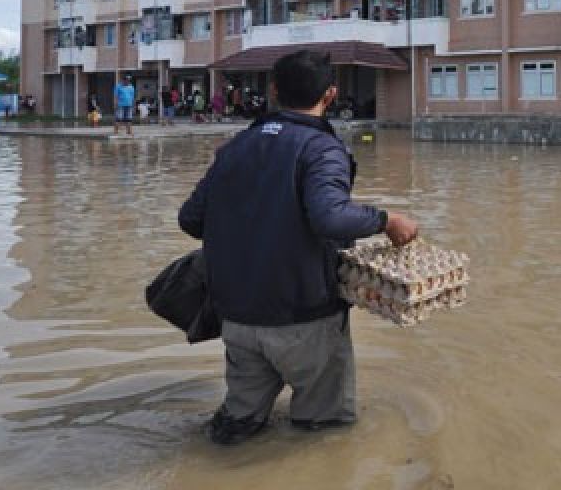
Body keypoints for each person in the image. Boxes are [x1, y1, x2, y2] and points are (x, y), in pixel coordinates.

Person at [178, 50, 420, 445]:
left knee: (236, 430)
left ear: (273, 90)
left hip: (238, 321)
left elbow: (190, 220)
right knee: (322, 435)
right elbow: (330, 217)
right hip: (304, 321)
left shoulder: (236, 147)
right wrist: (386, 220)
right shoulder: (321, 149)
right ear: (331, 94)